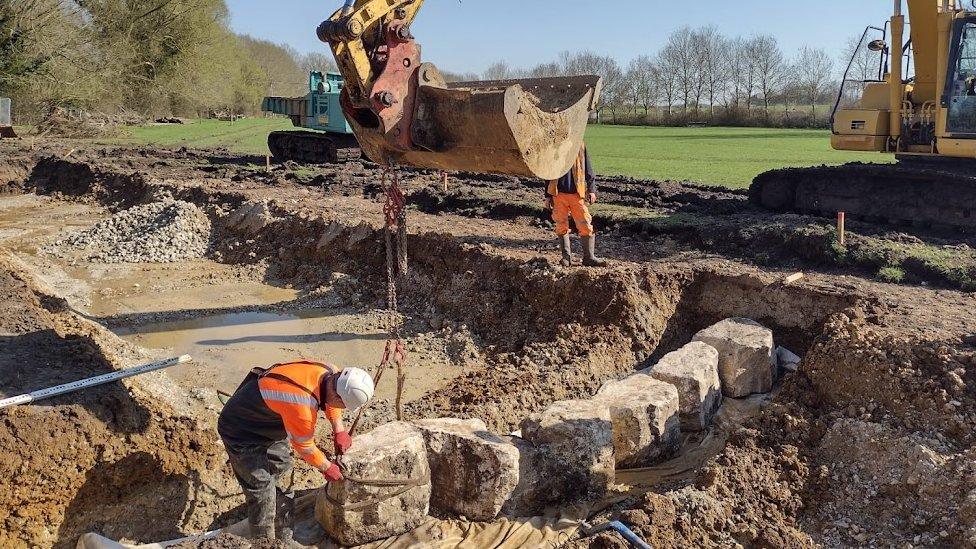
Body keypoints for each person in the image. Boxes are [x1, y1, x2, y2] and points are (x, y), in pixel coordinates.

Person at [217, 360, 375, 540]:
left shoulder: (333, 373)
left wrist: (338, 429)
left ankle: (284, 536)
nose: (342, 409)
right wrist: (326, 467)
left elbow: (330, 398)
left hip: (271, 420)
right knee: (261, 490)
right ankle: (264, 543)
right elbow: (305, 447)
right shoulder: (302, 406)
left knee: (283, 473)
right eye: (343, 406)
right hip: (240, 430)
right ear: (339, 397)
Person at [545, 142, 607, 267]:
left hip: (577, 193)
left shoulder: (580, 145)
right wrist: (547, 195)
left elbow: (588, 169)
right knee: (561, 225)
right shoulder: (554, 146)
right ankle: (566, 258)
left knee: (585, 223)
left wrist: (592, 190)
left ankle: (589, 257)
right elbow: (548, 172)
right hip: (558, 193)